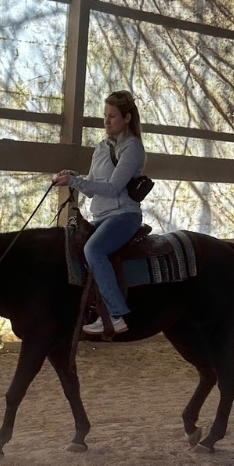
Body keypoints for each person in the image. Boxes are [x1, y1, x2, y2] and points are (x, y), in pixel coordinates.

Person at [53, 90, 146, 335]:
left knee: (94, 249)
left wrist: (75, 182)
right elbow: (93, 187)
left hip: (124, 215)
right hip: (101, 215)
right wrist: (73, 177)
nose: (106, 121)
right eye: (105, 116)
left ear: (126, 118)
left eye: (112, 116)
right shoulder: (101, 147)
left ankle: (116, 314)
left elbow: (114, 188)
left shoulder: (132, 148)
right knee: (67, 243)